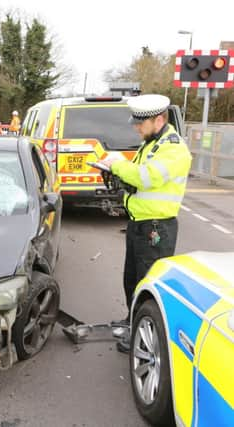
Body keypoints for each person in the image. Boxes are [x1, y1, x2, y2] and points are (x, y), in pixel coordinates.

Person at [99, 94, 191, 352]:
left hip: (156, 227)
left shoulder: (173, 149)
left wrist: (116, 165)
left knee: (148, 284)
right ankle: (133, 322)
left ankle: (144, 335)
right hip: (141, 223)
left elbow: (145, 177)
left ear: (159, 119)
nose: (136, 128)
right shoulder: (152, 143)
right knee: (132, 280)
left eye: (141, 124)